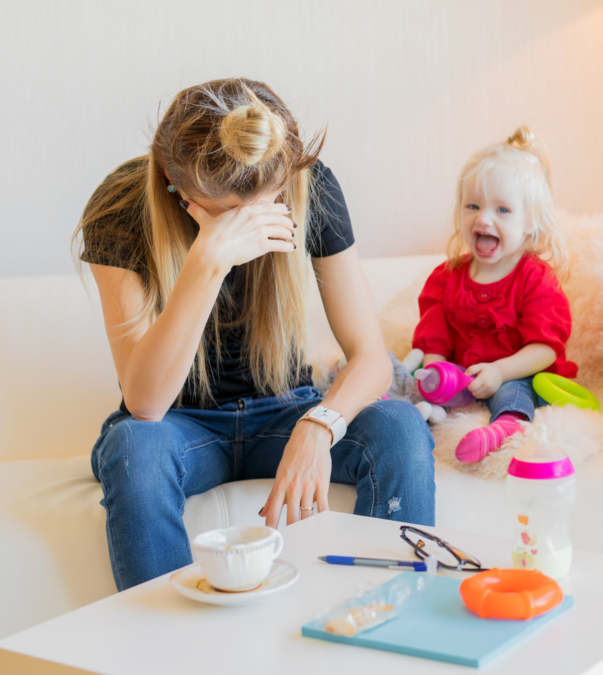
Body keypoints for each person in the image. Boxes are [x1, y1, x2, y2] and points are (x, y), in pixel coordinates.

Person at [75, 78, 435, 591]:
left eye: (265, 208)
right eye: (226, 215)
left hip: (285, 409)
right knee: (134, 447)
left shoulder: (310, 186)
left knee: (399, 427)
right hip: (179, 424)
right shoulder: (121, 207)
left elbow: (370, 358)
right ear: (175, 188)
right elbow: (146, 403)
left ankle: (380, 625)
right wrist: (208, 260)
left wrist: (320, 426)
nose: (249, 227)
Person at [412, 126, 576, 464]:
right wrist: (436, 376)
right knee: (419, 382)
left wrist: (500, 371)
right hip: (466, 376)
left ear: (530, 222)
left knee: (514, 392)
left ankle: (507, 426)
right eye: (472, 205)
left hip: (515, 373)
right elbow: (435, 342)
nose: (483, 218)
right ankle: (415, 413)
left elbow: (545, 348)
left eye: (502, 210)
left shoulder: (534, 278)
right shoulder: (446, 278)